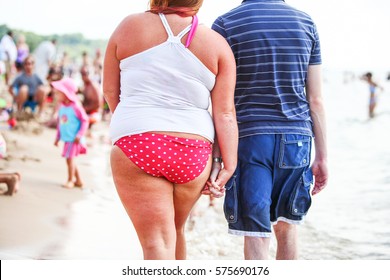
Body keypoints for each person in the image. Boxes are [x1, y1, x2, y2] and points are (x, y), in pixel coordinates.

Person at [103, 0, 238, 260]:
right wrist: (227, 165)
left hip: (138, 144)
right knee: (175, 231)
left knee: (156, 244)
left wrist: (131, 124)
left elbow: (110, 90)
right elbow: (225, 114)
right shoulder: (217, 43)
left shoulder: (129, 26)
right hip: (194, 151)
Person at [212, 0, 328, 260]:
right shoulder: (306, 23)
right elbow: (316, 100)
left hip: (249, 138)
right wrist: (322, 156)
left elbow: (221, 102)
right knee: (288, 227)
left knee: (256, 232)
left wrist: (217, 158)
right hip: (297, 139)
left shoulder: (226, 24)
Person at [52, 77, 89, 189]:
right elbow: (60, 123)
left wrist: (80, 134)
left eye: (59, 93)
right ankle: (78, 180)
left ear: (66, 94)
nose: (56, 95)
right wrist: (57, 137)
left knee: (69, 159)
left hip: (74, 138)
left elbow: (85, 120)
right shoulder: (62, 106)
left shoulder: (76, 107)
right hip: (67, 138)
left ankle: (70, 180)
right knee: (70, 158)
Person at [80, 66, 102, 134]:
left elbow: (98, 104)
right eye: (82, 74)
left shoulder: (94, 87)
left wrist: (83, 110)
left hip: (93, 114)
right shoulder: (85, 86)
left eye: (85, 74)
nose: (83, 76)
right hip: (86, 113)